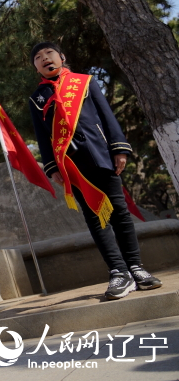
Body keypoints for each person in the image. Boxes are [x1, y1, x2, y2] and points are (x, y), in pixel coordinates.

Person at [29, 42, 162, 300]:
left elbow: (106, 114)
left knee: (119, 212)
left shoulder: (84, 82)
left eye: (49, 54)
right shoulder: (37, 98)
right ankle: (118, 272)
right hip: (72, 166)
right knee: (95, 218)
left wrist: (119, 148)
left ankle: (136, 269)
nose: (45, 59)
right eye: (38, 57)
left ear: (62, 57)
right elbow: (43, 137)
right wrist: (51, 166)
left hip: (101, 154)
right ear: (36, 67)